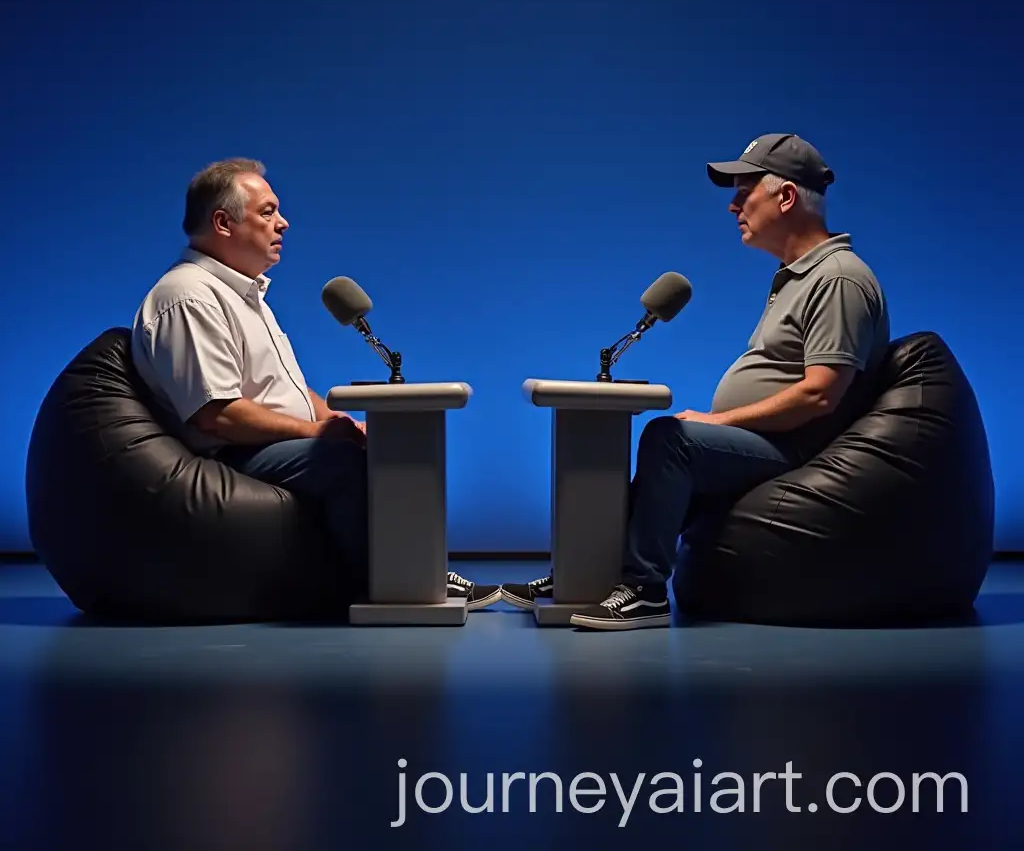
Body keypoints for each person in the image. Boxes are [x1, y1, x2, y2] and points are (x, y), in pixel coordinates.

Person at [501, 133, 890, 629]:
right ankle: (585, 575)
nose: (733, 206)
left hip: (799, 450)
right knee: (675, 442)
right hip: (771, 439)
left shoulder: (838, 279)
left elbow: (820, 393)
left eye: (744, 192)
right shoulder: (800, 276)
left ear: (786, 197)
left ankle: (643, 592)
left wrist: (719, 419)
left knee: (673, 441)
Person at [130, 158, 501, 610]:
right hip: (230, 455)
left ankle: (421, 571)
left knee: (387, 446)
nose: (282, 223)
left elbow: (278, 388)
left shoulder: (244, 295)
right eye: (267, 212)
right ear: (223, 223)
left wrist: (336, 417)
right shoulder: (188, 296)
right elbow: (217, 413)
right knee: (339, 457)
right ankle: (396, 585)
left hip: (268, 445)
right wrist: (320, 434)